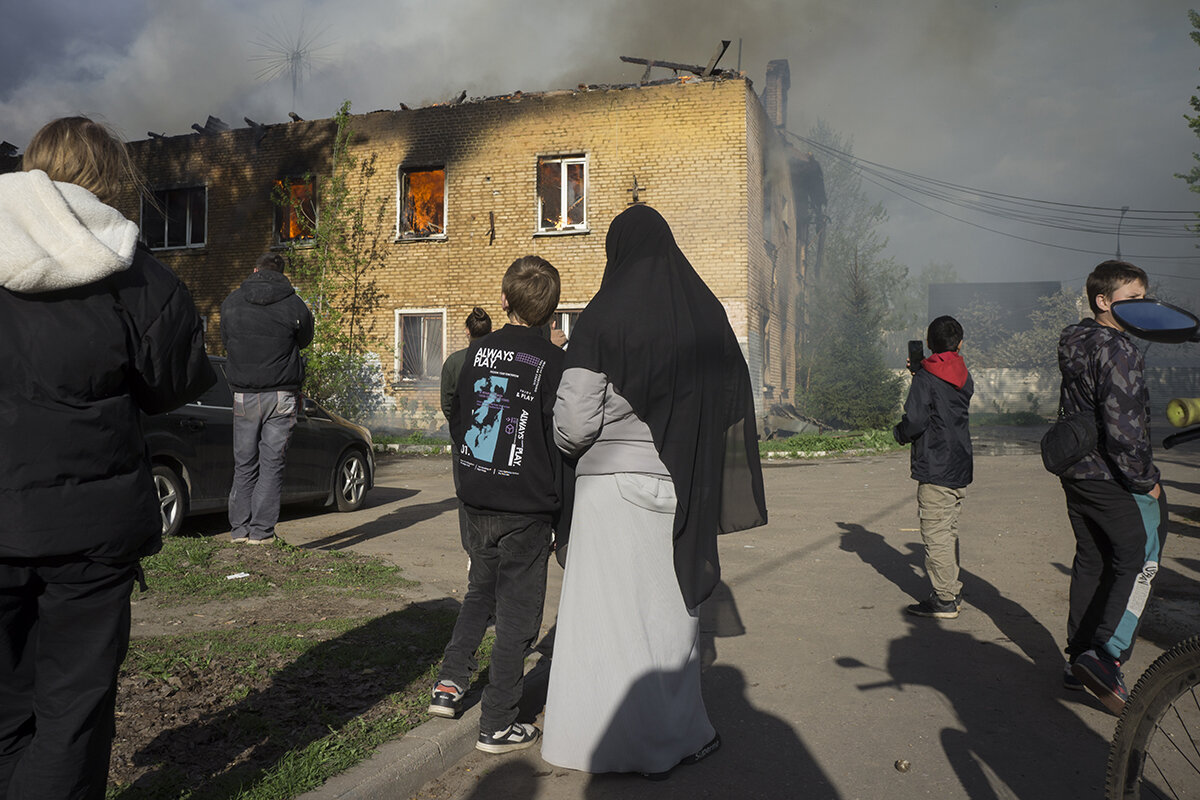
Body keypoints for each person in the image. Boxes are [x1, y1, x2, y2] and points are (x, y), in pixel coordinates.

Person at [0, 116, 214, 798]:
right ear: (108, 178)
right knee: (73, 707)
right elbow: (174, 384)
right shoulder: (133, 270)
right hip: (88, 535)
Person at [541, 204, 767, 779]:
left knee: (606, 621)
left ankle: (594, 742)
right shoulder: (706, 311)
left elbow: (572, 425)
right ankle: (678, 739)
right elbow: (730, 401)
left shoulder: (603, 315)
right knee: (668, 615)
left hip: (609, 492)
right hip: (677, 486)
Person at [428, 255, 565, 754]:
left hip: (476, 501)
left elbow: (460, 421)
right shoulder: (556, 365)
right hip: (525, 509)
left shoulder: (476, 356)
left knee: (479, 594)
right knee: (518, 617)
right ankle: (499, 722)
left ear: (503, 301)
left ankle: (448, 685)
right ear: (552, 312)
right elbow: (561, 441)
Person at [1057, 260, 1166, 714]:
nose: (1142, 306)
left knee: (1094, 559)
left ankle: (1077, 658)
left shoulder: (1076, 340)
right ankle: (1106, 657)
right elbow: (1124, 430)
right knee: (1144, 554)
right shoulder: (1118, 349)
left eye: (1145, 297)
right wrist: (1148, 481)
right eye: (1132, 298)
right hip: (1110, 475)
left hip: (1076, 472)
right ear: (1103, 301)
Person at [220, 252, 314, 544]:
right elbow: (305, 340)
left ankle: (238, 531)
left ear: (254, 268)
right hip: (281, 395)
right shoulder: (294, 304)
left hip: (244, 394)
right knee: (272, 464)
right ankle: (261, 534)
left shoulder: (232, 302)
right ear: (283, 274)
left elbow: (226, 339)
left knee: (244, 463)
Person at [893, 316, 974, 620]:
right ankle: (951, 587)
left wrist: (899, 433)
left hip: (936, 465)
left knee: (936, 533)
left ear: (928, 344)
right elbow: (945, 395)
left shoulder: (925, 379)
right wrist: (921, 371)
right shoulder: (964, 374)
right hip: (959, 462)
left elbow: (915, 421)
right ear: (960, 343)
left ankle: (945, 599)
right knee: (948, 529)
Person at [441, 306, 493, 422]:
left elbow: (447, 404)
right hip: (493, 433)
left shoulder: (453, 361)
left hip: (462, 433)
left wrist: (460, 426)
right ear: (491, 331)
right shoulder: (503, 360)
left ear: (467, 331)